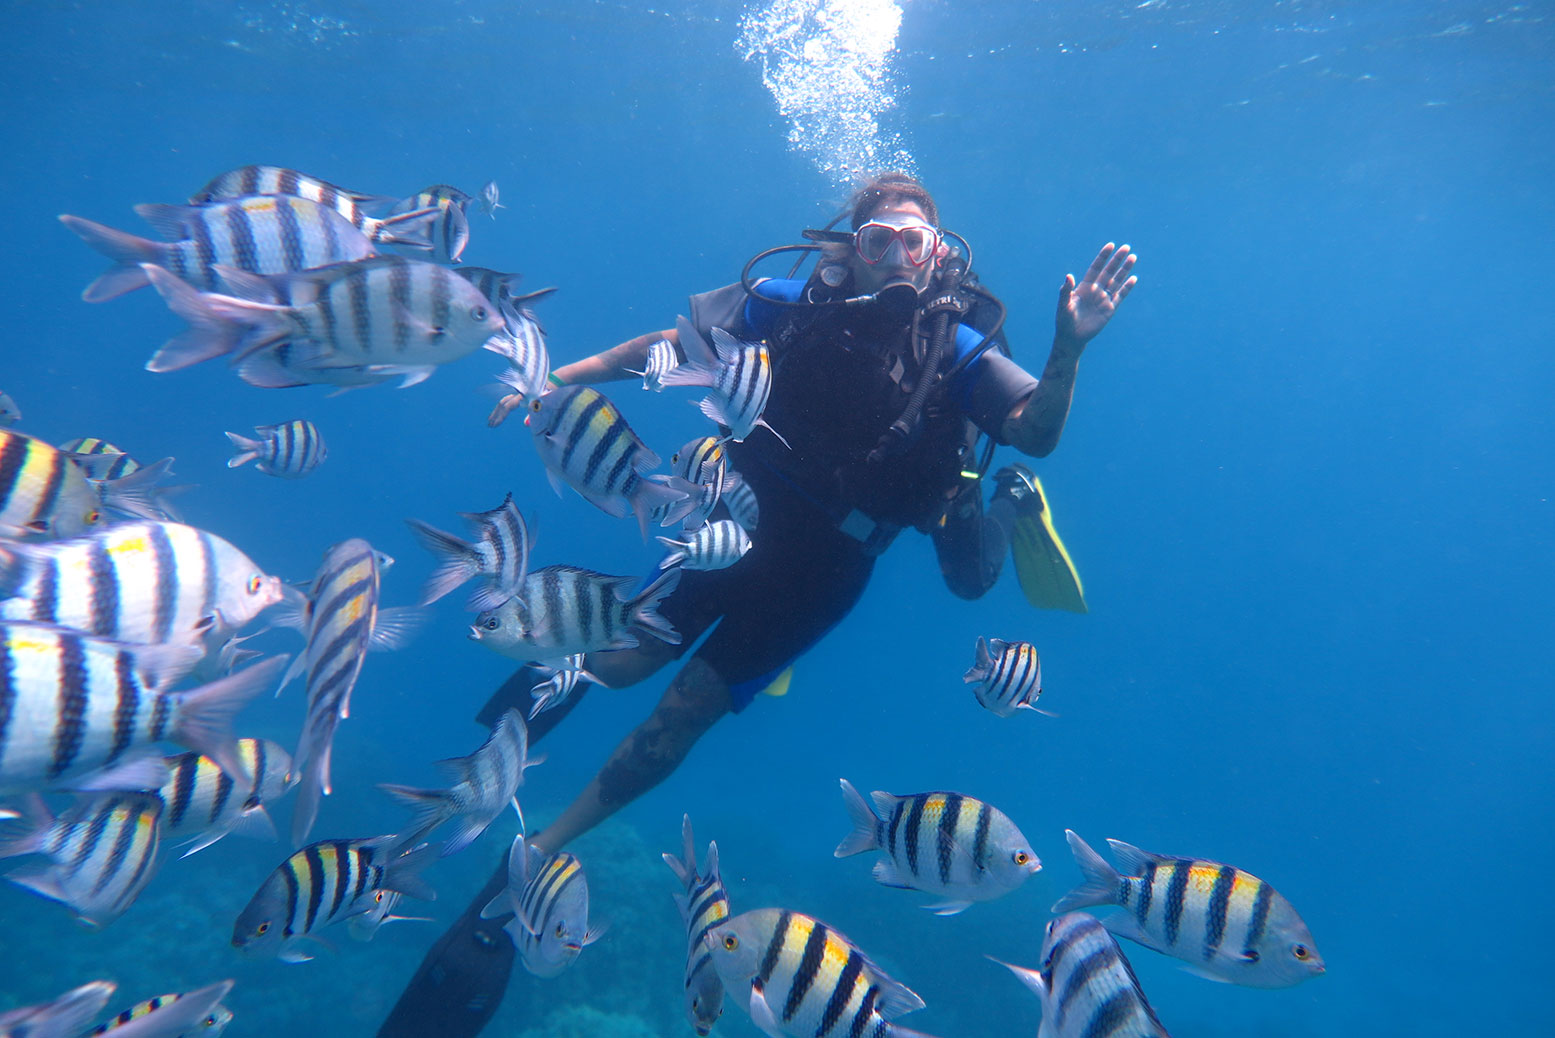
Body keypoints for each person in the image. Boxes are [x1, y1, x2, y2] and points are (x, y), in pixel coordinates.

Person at [376, 172, 1137, 1037]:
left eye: (913, 241)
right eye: (877, 239)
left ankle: (530, 859)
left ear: (936, 255)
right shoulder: (788, 306)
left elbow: (1034, 429)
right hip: (739, 524)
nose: (895, 256)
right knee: (624, 662)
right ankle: (522, 716)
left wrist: (1070, 346)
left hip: (832, 566)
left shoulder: (954, 345)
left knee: (687, 715)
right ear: (849, 248)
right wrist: (559, 380)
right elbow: (664, 346)